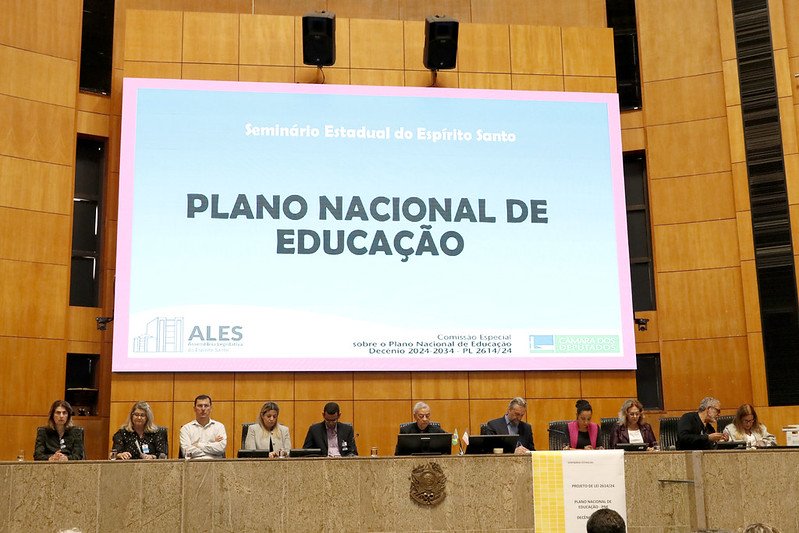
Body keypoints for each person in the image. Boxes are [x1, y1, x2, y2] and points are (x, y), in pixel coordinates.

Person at [179, 394, 227, 459]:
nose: (203, 409)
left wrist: (197, 445)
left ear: (211, 408)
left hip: (215, 465)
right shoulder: (186, 428)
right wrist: (212, 446)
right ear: (194, 408)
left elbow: (220, 449)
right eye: (200, 406)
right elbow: (186, 452)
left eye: (206, 406)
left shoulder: (219, 427)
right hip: (193, 465)